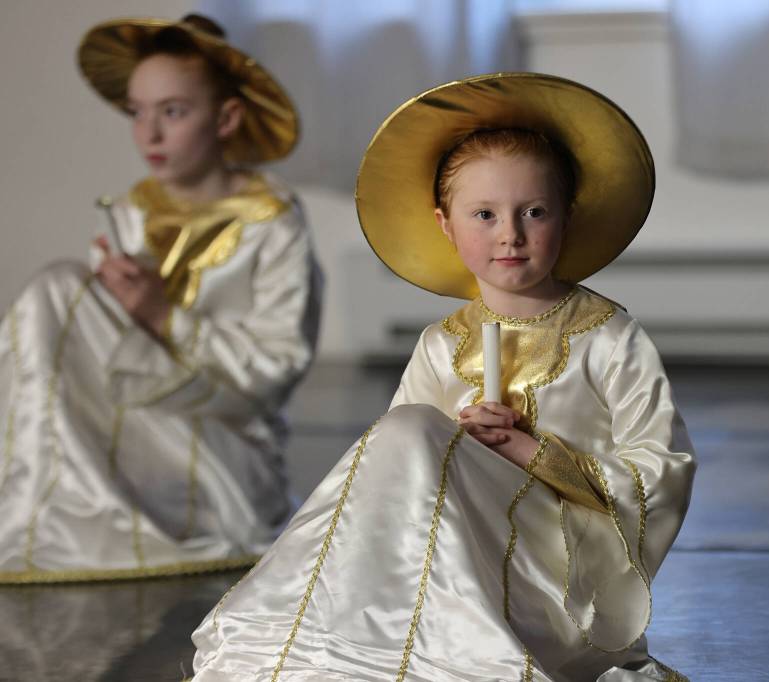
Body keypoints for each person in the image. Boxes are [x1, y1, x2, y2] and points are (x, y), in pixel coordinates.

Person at [191, 73, 694, 681]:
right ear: (445, 223)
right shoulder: (442, 344)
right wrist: (456, 446)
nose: (510, 233)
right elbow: (390, 483)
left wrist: (531, 452)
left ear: (567, 216)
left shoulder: (609, 338)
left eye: (533, 211)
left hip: (555, 570)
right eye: (484, 213)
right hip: (459, 557)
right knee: (403, 432)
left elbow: (660, 470)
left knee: (410, 431)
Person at [0, 15, 322, 583]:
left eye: (172, 112)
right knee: (59, 286)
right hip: (136, 424)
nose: (148, 134)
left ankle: (53, 516)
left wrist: (161, 316)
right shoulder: (132, 208)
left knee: (58, 287)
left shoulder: (272, 223)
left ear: (225, 118)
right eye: (136, 112)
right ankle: (38, 508)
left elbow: (276, 368)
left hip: (222, 447)